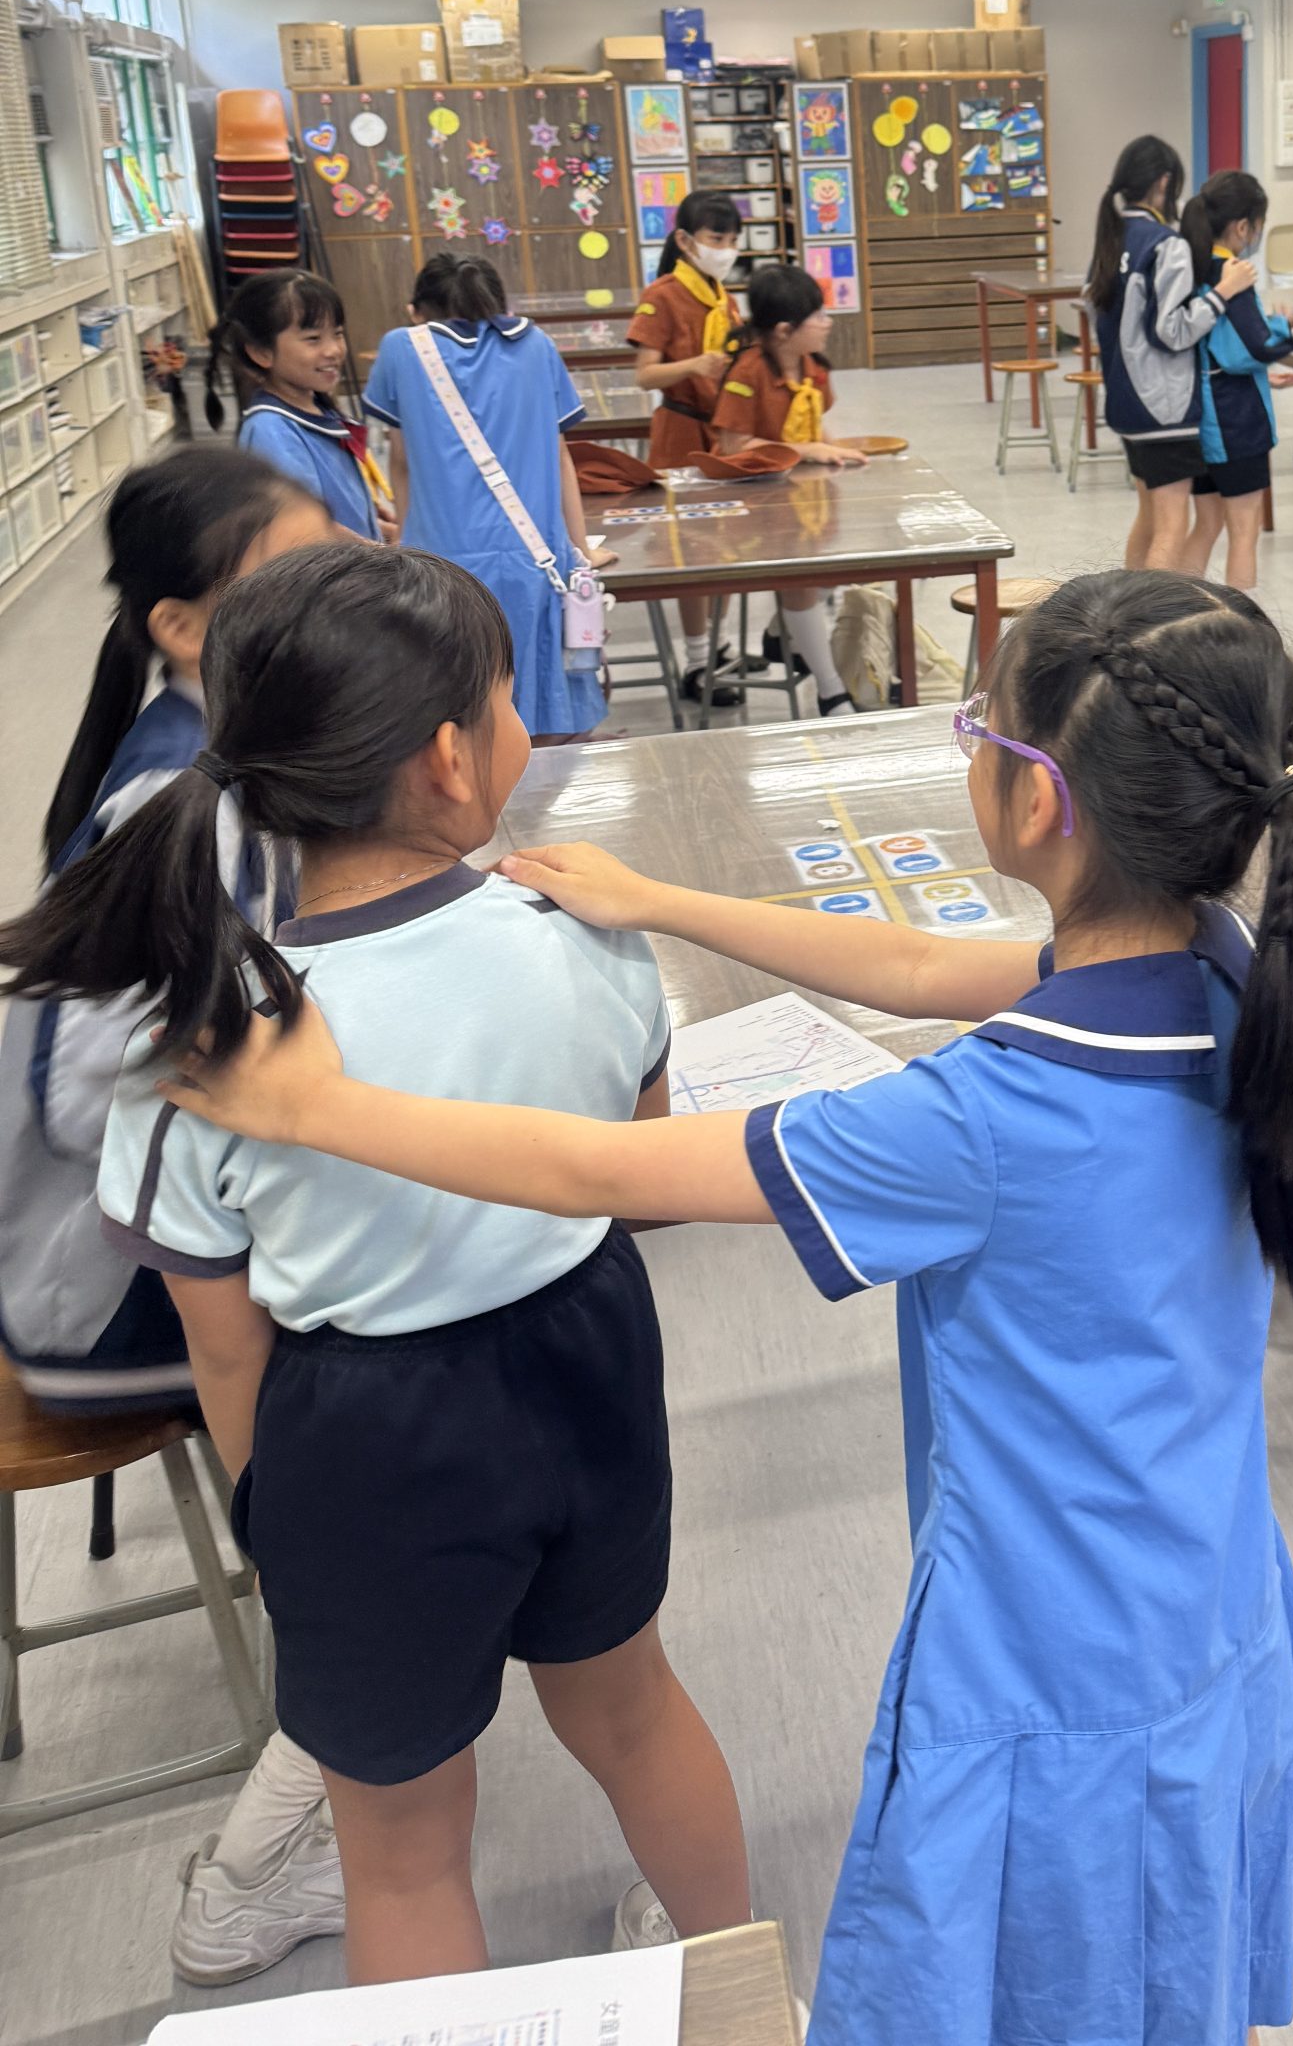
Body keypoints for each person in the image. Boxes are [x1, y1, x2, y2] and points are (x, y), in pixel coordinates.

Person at [161, 569, 1293, 2044]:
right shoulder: (1228, 972)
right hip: (1201, 1571)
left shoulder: (984, 1119)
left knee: (1057, 1949)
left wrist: (321, 1111)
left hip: (1046, 1630)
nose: (967, 749)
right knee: (1164, 1905)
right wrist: (659, 900)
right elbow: (919, 966)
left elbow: (599, 1167)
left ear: (1040, 800)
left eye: (977, 730)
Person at [1, 543, 749, 1983]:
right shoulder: (585, 937)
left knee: (400, 1845)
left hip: (361, 1433)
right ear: (453, 759)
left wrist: (272, 1514)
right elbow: (640, 1164)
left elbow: (225, 1345)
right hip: (588, 1356)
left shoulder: (208, 1038)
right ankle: (734, 1977)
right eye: (509, 698)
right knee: (634, 1710)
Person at [0, 446, 345, 1987]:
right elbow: (88, 1106)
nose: (332, 594)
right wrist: (311, 1101)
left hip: (148, 1236)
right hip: (95, 1294)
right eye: (294, 574)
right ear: (183, 627)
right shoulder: (178, 799)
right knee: (410, 1347)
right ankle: (328, 1753)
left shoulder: (228, 755)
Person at [363, 254, 608, 743]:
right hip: (536, 563)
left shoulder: (400, 349)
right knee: (545, 719)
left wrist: (402, 544)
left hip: (442, 572)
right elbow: (561, 456)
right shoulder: (537, 346)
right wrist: (581, 552)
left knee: (455, 724)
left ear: (418, 311)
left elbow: (401, 460)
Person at [1086, 134, 1256, 569]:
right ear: (1165, 182)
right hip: (1164, 406)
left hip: (1125, 399)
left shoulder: (1114, 237)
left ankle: (1130, 607)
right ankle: (1155, 614)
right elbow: (1173, 332)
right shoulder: (1165, 244)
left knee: (1149, 520)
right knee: (1171, 527)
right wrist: (1223, 292)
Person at [717, 260, 865, 717]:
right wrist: (806, 450)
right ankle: (830, 690)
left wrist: (834, 450)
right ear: (784, 331)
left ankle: (783, 633)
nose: (827, 323)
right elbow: (733, 446)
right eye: (817, 316)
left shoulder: (813, 367)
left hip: (804, 496)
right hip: (754, 502)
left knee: (832, 569)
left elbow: (818, 426)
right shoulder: (747, 373)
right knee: (802, 581)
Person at [627, 193, 745, 703]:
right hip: (679, 433)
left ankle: (720, 647)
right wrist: (695, 365)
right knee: (689, 552)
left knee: (728, 544)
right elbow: (644, 375)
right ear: (685, 240)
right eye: (717, 238)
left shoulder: (723, 296)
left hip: (722, 434)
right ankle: (697, 662)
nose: (726, 249)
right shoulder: (664, 294)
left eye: (733, 240)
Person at [206, 268, 393, 542]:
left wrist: (375, 524)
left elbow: (331, 506)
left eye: (337, 334)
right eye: (313, 339)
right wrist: (379, 555)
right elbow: (303, 529)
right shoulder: (271, 430)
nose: (333, 350)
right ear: (261, 352)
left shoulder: (318, 409)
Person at [1182, 170, 1293, 592]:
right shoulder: (1235, 274)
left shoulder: (1194, 267)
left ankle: (1176, 610)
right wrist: (1282, 327)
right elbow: (1254, 345)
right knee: (1244, 531)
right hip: (1237, 421)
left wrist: (1263, 375)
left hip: (1201, 416)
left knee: (1206, 524)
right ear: (1243, 226)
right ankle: (1241, 624)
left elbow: (1218, 346)